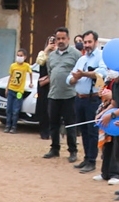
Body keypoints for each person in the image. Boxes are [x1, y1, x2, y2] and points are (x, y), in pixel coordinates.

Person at [43, 28, 80, 162]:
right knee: (53, 124)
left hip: (69, 95)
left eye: (63, 38)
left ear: (68, 39)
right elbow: (50, 72)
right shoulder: (51, 56)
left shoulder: (75, 54)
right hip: (53, 94)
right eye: (58, 39)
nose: (61, 41)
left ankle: (72, 151)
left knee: (70, 125)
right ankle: (54, 149)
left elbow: (80, 73)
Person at [69, 31, 102, 172]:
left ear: (96, 42)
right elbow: (69, 79)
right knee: (83, 130)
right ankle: (86, 158)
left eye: (89, 42)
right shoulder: (82, 59)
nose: (87, 45)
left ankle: (92, 160)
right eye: (85, 42)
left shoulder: (101, 56)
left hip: (92, 99)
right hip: (79, 98)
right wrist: (75, 78)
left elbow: (102, 74)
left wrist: (83, 74)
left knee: (92, 131)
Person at [4, 49, 31, 133]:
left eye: (21, 55)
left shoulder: (26, 66)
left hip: (19, 91)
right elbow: (10, 76)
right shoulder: (13, 66)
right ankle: (7, 125)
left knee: (16, 109)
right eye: (18, 55)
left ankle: (14, 126)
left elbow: (30, 73)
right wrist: (7, 87)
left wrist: (31, 82)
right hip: (11, 89)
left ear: (25, 57)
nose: (19, 57)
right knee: (9, 109)